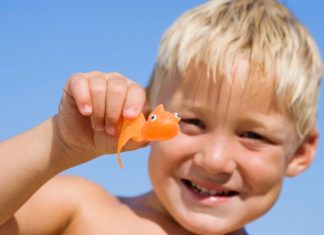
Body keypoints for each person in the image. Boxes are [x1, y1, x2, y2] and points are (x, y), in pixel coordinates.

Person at [0, 0, 322, 234]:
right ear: (147, 115)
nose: (215, 160)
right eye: (192, 122)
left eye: (253, 136)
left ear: (301, 152)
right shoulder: (80, 211)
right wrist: (60, 144)